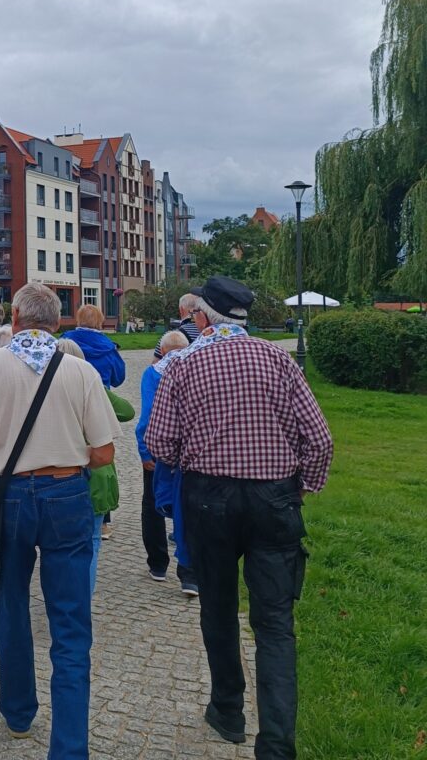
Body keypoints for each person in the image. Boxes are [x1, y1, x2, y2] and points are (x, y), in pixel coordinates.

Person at [146, 276, 334, 757]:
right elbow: (320, 440)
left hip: (209, 498)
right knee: (274, 623)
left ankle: (227, 710)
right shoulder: (279, 360)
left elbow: (160, 443)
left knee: (219, 608)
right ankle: (276, 743)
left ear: (203, 317)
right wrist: (301, 487)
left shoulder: (183, 365)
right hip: (274, 499)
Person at [0, 283, 117, 756]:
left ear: (15, 316)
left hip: (8, 496)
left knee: (11, 602)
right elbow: (105, 452)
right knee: (71, 622)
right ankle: (70, 747)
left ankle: (18, 712)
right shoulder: (80, 371)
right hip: (68, 494)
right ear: (58, 321)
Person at [134, 329, 196, 594]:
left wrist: (145, 451)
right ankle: (189, 573)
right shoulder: (199, 367)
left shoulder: (155, 372)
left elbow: (147, 416)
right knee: (190, 507)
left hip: (161, 449)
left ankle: (158, 564)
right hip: (192, 451)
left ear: (162, 351)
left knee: (152, 503)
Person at [62, 303, 124, 540]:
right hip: (100, 401)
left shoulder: (66, 342)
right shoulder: (108, 348)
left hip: (67, 401)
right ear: (99, 321)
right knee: (102, 457)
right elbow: (119, 376)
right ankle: (103, 520)